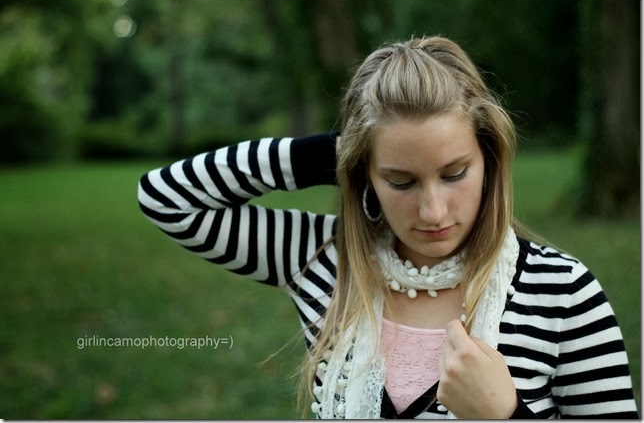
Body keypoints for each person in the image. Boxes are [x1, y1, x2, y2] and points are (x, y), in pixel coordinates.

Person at [137, 36, 638, 418]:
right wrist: (334, 153)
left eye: (454, 174)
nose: (433, 211)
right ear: (364, 176)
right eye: (401, 181)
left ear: (489, 157)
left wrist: (505, 416)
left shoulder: (563, 292)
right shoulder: (320, 258)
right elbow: (167, 199)